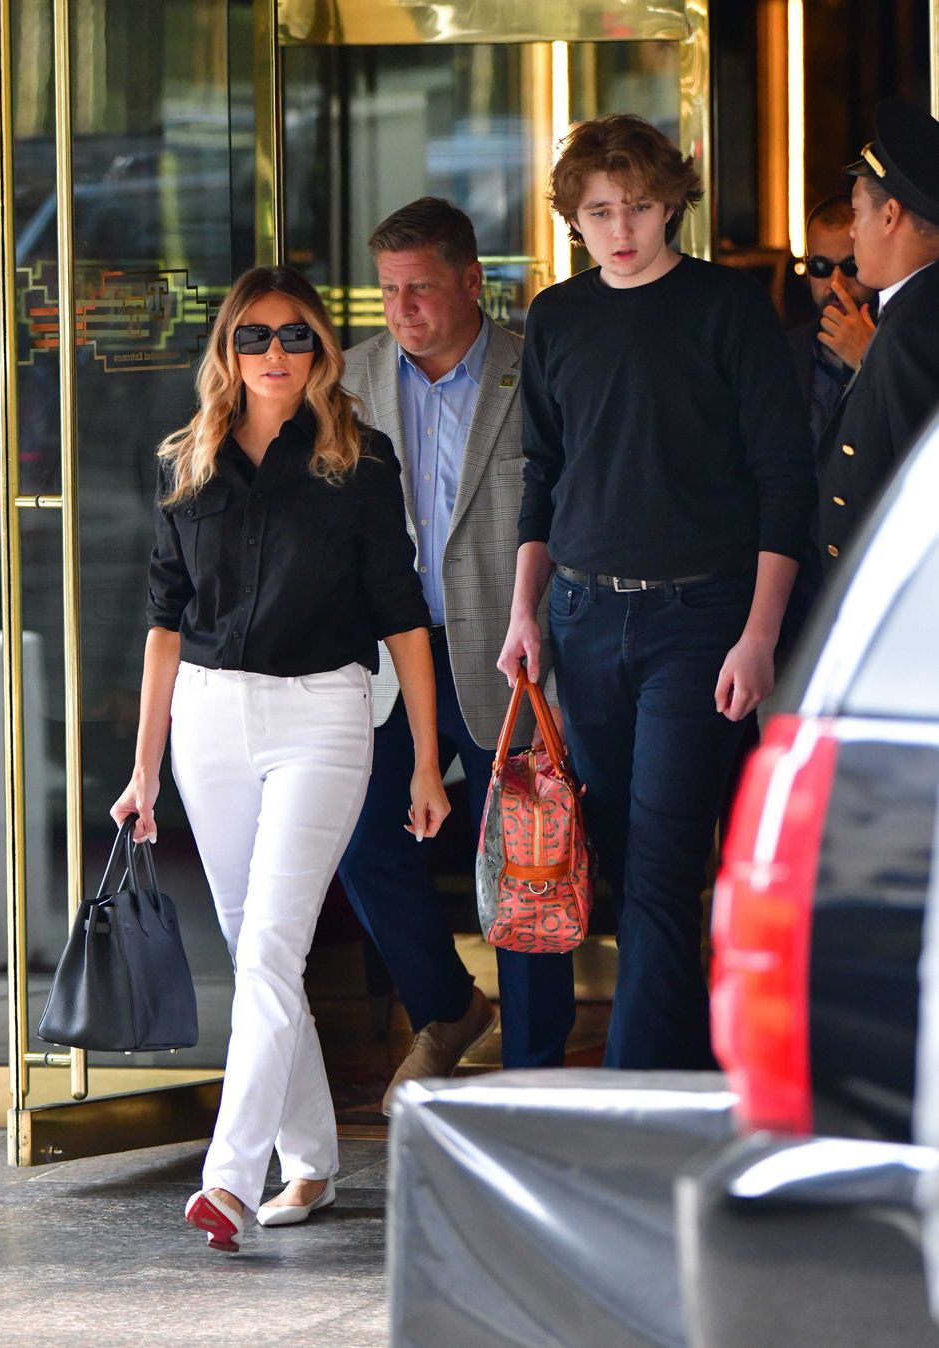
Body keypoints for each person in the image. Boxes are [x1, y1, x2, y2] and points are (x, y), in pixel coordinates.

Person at [111, 265, 448, 1252]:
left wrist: (426, 760)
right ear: (228, 349)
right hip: (210, 721)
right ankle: (310, 1158)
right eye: (253, 336)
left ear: (320, 350)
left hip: (322, 718)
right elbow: (163, 622)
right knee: (256, 948)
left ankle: (227, 1176)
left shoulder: (359, 460)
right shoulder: (186, 460)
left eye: (294, 335)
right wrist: (143, 768)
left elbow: (402, 616)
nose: (274, 353)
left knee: (268, 949)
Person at [498, 114, 814, 1071]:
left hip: (700, 619)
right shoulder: (557, 317)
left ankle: (630, 1096)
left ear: (673, 202)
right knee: (625, 863)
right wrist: (524, 611)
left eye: (637, 206)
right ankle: (682, 1074)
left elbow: (783, 477)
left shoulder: (728, 307)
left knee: (666, 867)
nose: (621, 228)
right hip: (583, 616)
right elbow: (543, 474)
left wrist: (759, 634)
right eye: (600, 211)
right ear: (574, 219)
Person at [338, 198, 577, 1113]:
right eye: (389, 290)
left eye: (422, 288)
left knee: (526, 855)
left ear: (473, 281)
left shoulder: (534, 368)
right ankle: (447, 1008)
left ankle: (534, 1075)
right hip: (390, 658)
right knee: (362, 837)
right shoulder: (348, 378)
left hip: (511, 653)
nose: (403, 309)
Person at [818, 97, 939, 571]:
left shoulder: (912, 330)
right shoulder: (912, 313)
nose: (852, 233)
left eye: (856, 213)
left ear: (890, 215)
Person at [788, 194, 877, 449]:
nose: (836, 283)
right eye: (820, 267)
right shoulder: (782, 352)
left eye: (851, 266)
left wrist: (869, 359)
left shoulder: (904, 344)